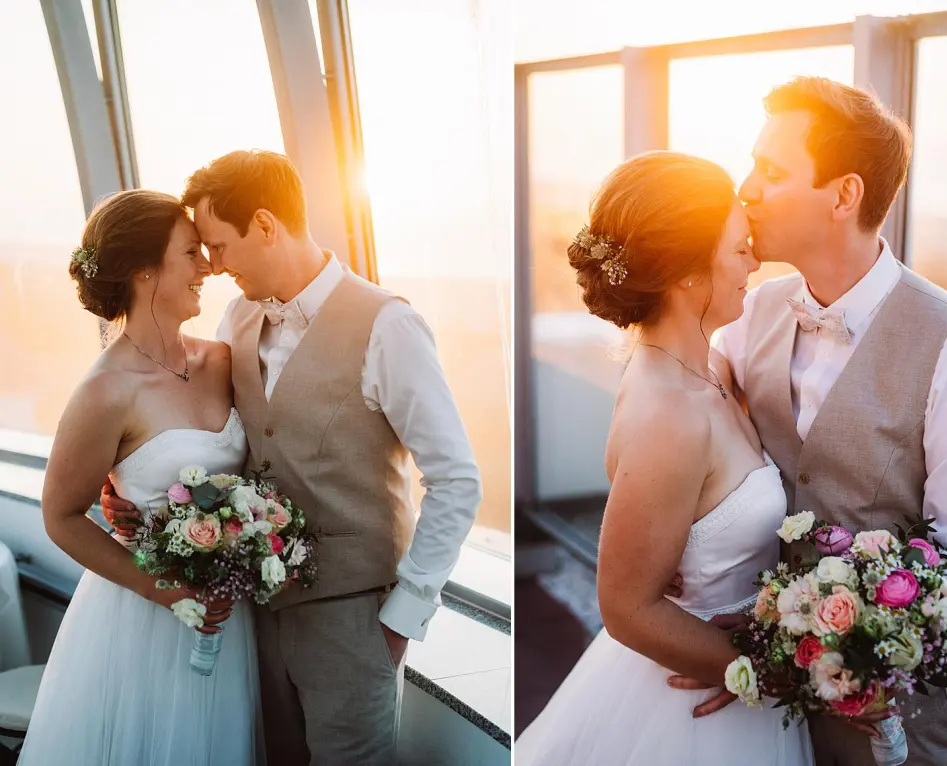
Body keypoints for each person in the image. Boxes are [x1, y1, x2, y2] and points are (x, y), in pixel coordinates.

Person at [668, 77, 947, 766]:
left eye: (771, 171)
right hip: (769, 711)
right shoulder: (749, 315)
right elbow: (691, 428)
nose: (746, 189)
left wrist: (813, 647)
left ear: (844, 195)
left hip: (902, 717)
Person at [102, 150, 483, 765]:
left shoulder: (389, 326)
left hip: (353, 621)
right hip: (252, 619)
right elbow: (213, 436)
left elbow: (457, 479)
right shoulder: (236, 317)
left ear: (265, 225)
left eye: (219, 246)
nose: (214, 265)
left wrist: (400, 618)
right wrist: (132, 488)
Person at [514, 151, 813, 765]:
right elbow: (626, 607)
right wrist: (761, 671)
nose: (754, 263)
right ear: (686, 273)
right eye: (739, 249)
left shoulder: (713, 366)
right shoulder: (669, 414)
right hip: (692, 704)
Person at [19, 190, 262, 765]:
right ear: (144, 271)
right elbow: (60, 516)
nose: (208, 267)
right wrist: (164, 589)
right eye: (191, 253)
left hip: (229, 614)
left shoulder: (222, 360)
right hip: (142, 618)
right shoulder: (104, 391)